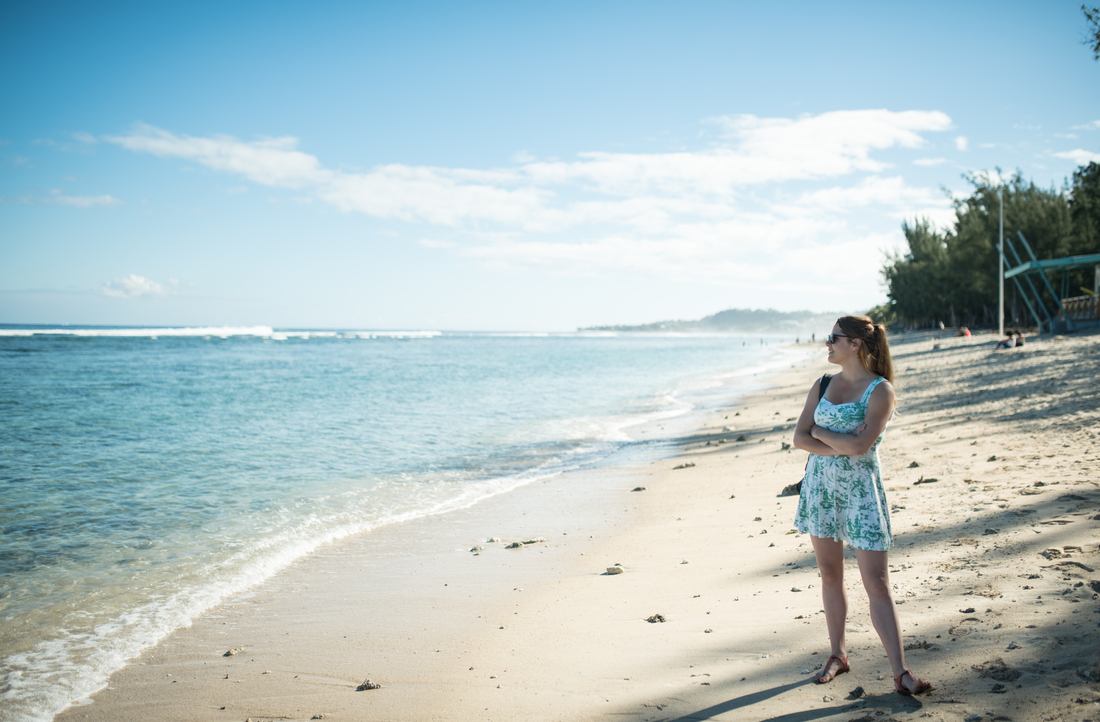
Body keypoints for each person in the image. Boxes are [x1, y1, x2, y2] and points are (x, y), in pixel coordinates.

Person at [791, 315, 932, 696]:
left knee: (877, 583)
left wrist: (820, 432)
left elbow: (859, 448)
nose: (827, 344)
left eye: (834, 338)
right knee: (830, 575)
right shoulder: (822, 385)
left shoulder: (880, 391)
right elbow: (798, 437)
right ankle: (837, 654)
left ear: (854, 344)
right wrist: (828, 436)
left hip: (862, 495)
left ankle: (901, 671)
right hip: (821, 492)